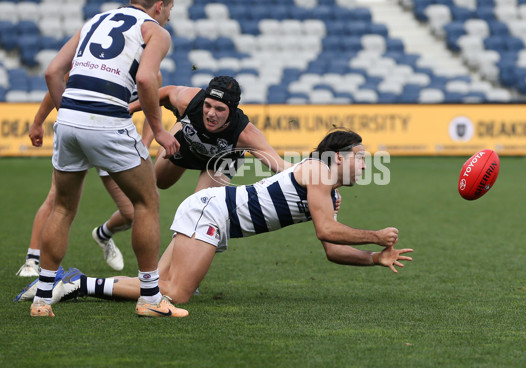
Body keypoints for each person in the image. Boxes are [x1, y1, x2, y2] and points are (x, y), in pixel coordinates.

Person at [24, 129, 413, 306]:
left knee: (157, 285)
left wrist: (374, 259)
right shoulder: (318, 172)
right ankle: (79, 283)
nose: (365, 161)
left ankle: (74, 283)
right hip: (212, 210)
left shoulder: (328, 189)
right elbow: (328, 230)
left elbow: (330, 248)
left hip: (211, 209)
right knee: (173, 295)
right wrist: (375, 236)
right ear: (338, 156)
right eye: (360, 154)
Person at [32, 0, 186, 318]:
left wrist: (70, 112)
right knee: (146, 202)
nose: (169, 18)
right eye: (170, 10)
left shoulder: (94, 20)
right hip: (108, 121)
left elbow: (54, 72)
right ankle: (149, 299)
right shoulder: (155, 31)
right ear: (159, 5)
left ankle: (42, 299)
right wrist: (159, 131)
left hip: (68, 121)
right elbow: (146, 79)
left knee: (62, 209)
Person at [91, 75, 291, 254]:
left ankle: (183, 268)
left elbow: (281, 167)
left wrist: (313, 175)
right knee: (158, 183)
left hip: (221, 160)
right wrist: (129, 110)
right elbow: (159, 95)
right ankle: (103, 231)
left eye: (220, 109)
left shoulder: (246, 134)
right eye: (208, 105)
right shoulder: (190, 100)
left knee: (199, 212)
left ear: (232, 111)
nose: (211, 113)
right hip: (185, 145)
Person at [16, 86, 153, 277]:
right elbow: (56, 80)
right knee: (56, 202)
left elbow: (152, 107)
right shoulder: (93, 59)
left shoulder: (148, 71)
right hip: (79, 132)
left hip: (110, 137)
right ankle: (32, 260)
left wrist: (145, 144)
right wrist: (39, 121)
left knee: (131, 213)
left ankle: (103, 235)